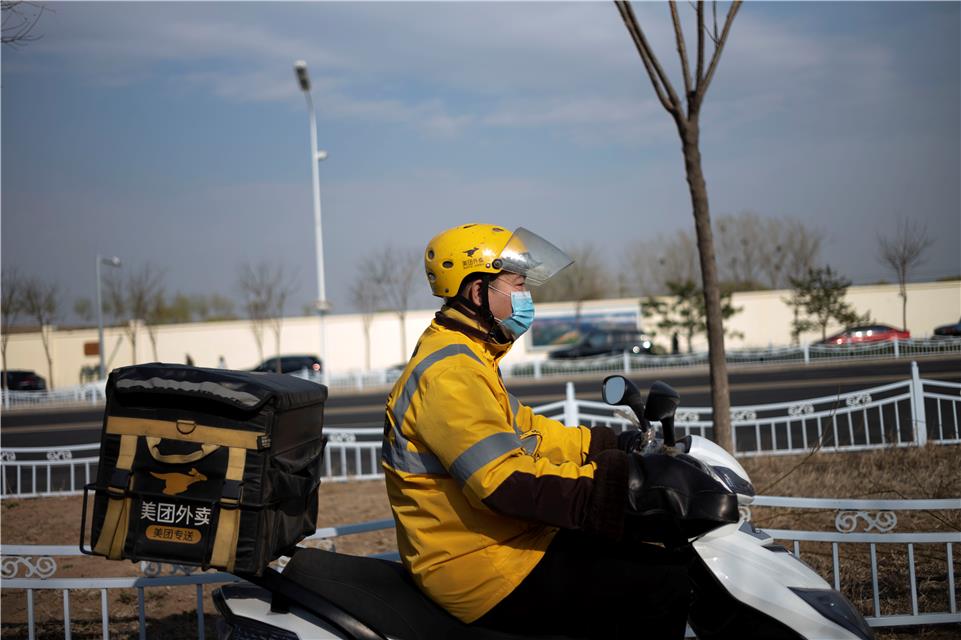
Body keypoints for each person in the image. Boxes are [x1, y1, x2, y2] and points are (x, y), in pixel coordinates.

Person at [382, 223, 691, 639]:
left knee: (644, 552)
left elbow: (529, 432)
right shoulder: (450, 374)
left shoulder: (470, 356)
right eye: (518, 284)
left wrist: (607, 444)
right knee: (663, 582)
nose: (526, 296)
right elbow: (505, 482)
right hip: (479, 567)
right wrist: (616, 486)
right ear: (478, 292)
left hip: (507, 543)